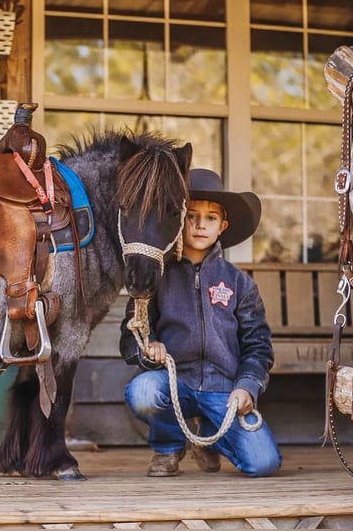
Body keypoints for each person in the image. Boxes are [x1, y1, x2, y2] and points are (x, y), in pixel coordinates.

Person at [119, 168, 282, 478]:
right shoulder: (158, 277)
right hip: (174, 383)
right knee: (143, 392)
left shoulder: (239, 283)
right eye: (191, 216)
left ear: (222, 226)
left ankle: (209, 438)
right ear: (178, 221)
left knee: (264, 463)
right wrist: (147, 346)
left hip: (224, 389)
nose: (199, 225)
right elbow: (131, 332)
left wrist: (247, 387)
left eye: (209, 218)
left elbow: (258, 347)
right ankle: (168, 448)